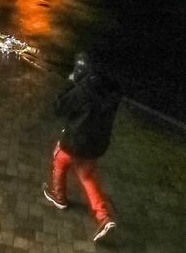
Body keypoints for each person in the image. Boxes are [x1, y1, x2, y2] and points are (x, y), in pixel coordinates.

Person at [44, 52, 121, 242]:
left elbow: (59, 107)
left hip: (74, 142)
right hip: (96, 145)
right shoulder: (114, 90)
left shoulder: (85, 89)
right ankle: (104, 217)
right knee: (87, 176)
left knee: (59, 161)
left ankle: (59, 197)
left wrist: (71, 82)